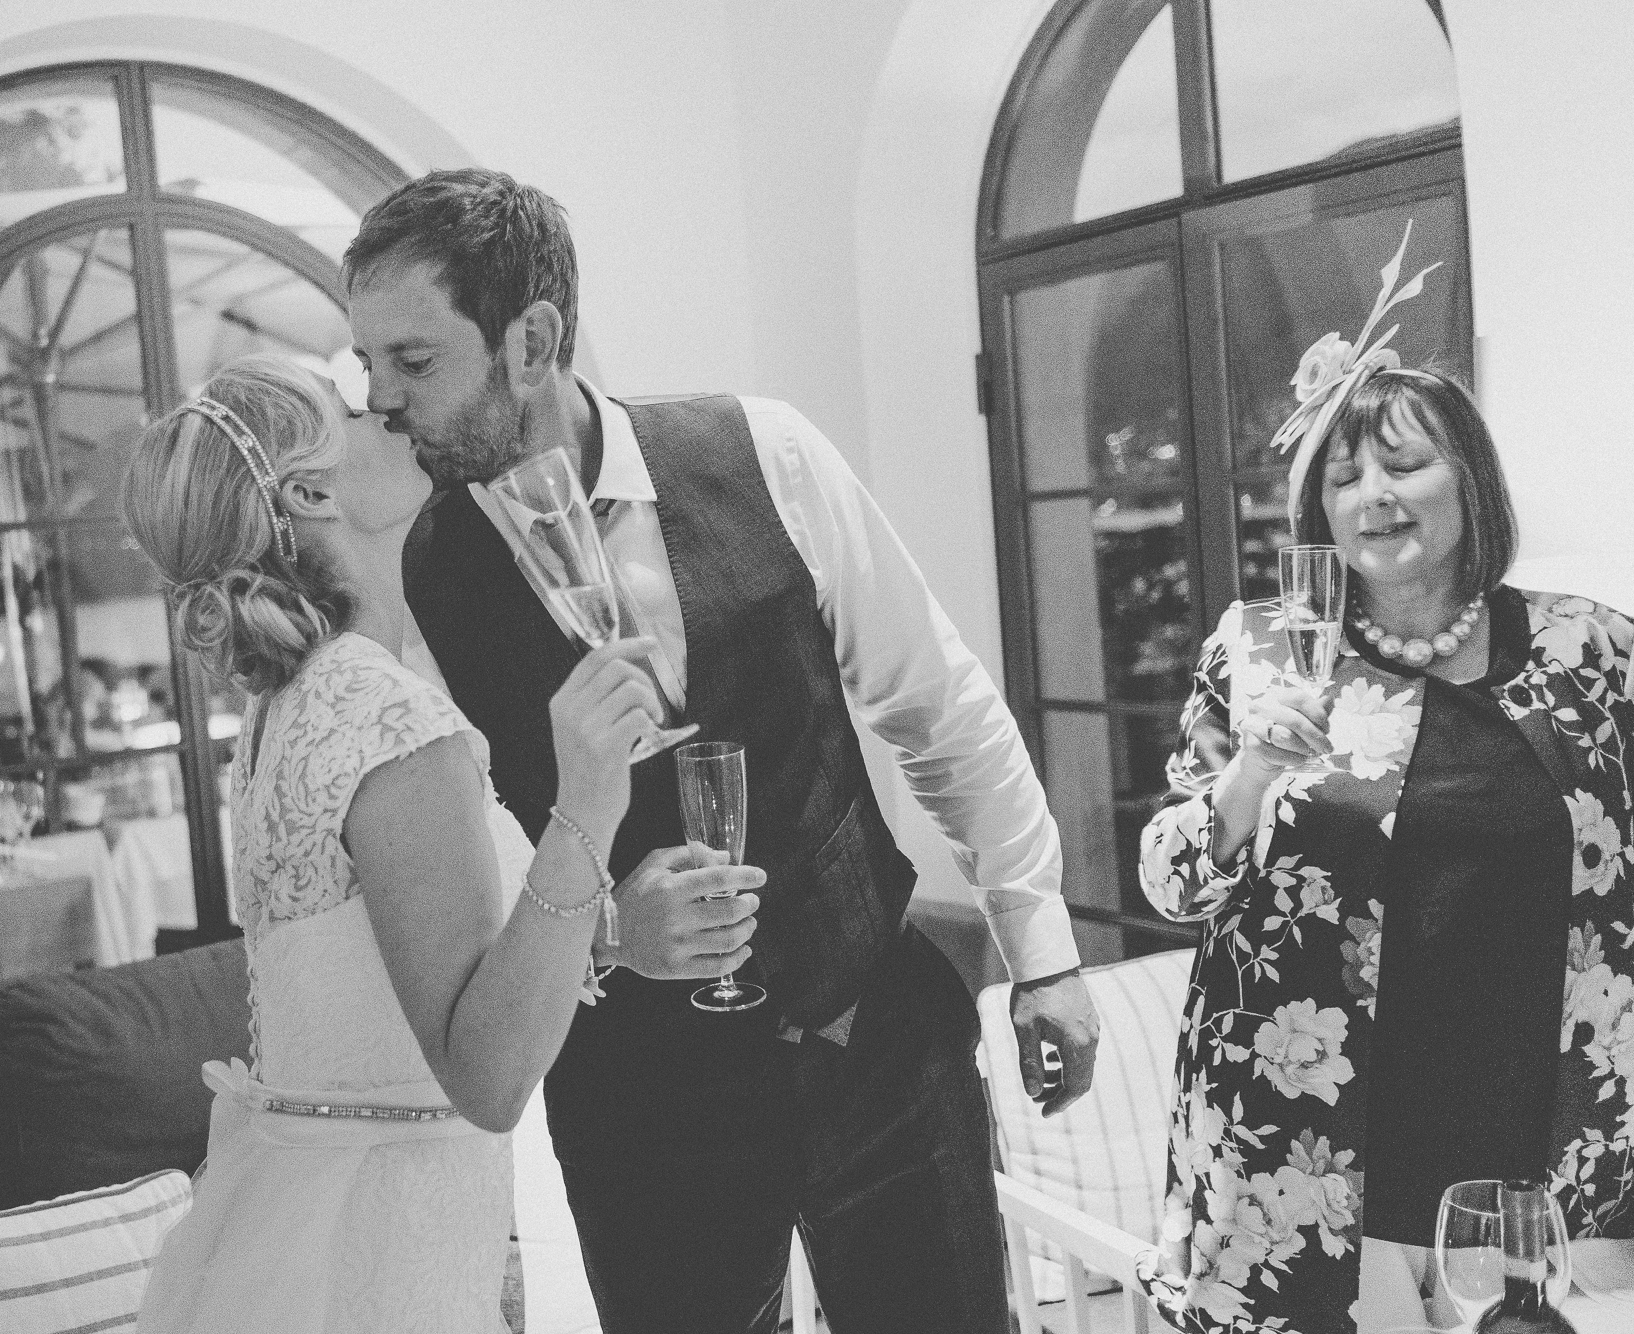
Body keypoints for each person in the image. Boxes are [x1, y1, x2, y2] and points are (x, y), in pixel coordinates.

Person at [344, 168, 1101, 1334]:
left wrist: (1038, 946)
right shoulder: (427, 576)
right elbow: (473, 871)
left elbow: (934, 701)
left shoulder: (764, 450)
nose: (380, 399)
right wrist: (610, 933)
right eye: (368, 364)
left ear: (531, 340)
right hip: (640, 1108)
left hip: (876, 1044)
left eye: (411, 360)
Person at [1134, 230, 1634, 1333]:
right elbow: (1172, 882)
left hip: (1542, 1150)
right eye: (1344, 477)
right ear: (1318, 511)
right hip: (1305, 1152)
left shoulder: (1595, 652)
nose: (1374, 494)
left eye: (1404, 464)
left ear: (1468, 479)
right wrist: (1249, 775)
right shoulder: (1259, 649)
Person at [121, 355, 702, 1332]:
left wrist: (609, 935)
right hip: (386, 1255)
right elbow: (488, 1078)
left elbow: (381, 974)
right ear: (310, 494)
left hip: (305, 1226)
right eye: (351, 410)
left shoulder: (288, 708)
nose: (385, 407)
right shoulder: (385, 719)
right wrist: (589, 804)